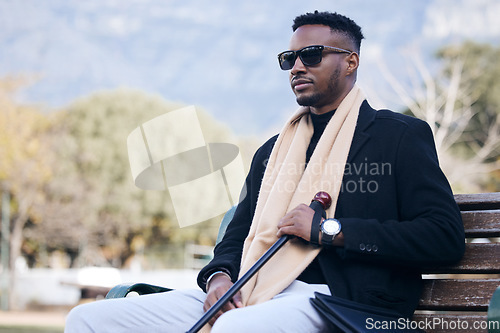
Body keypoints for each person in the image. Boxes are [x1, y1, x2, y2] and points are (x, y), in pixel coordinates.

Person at [65, 11, 465, 332]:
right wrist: (220, 278)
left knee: (236, 328)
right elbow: (236, 238)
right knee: (88, 319)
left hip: (342, 302)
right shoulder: (272, 152)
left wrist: (331, 230)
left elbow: (444, 238)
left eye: (311, 55)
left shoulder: (399, 137)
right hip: (254, 290)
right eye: (289, 59)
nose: (296, 67)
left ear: (351, 61)